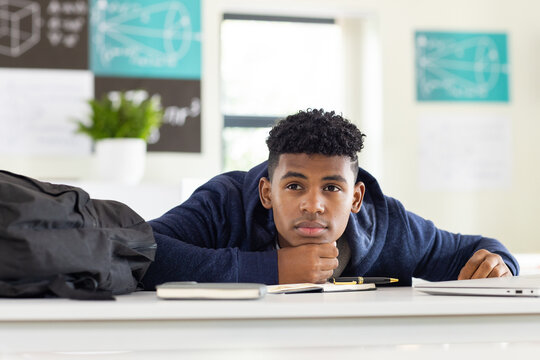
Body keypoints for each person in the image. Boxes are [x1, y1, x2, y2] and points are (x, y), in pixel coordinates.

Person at [141, 109, 518, 289]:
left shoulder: (390, 225)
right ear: (267, 192)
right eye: (294, 186)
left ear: (356, 198)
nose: (313, 204)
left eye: (332, 188)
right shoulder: (224, 203)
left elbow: (479, 250)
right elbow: (140, 250)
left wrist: (500, 263)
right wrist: (271, 269)